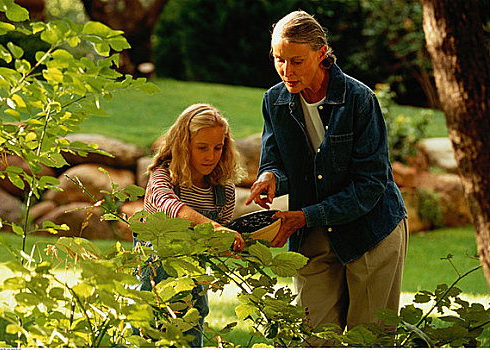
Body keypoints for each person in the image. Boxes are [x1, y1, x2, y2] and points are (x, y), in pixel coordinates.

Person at [246, 10, 408, 345]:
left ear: (321, 54)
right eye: (279, 60)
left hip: (371, 232)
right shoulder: (274, 101)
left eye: (296, 61)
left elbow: (371, 185)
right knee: (312, 338)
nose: (286, 71)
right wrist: (270, 177)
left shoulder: (359, 100)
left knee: (370, 340)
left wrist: (306, 214)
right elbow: (276, 159)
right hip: (312, 236)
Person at [134, 103, 244, 347]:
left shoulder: (222, 190)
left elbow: (218, 240)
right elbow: (172, 208)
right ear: (184, 145)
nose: (210, 156)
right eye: (202, 148)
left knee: (191, 329)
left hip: (193, 279)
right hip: (154, 279)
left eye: (218, 148)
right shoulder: (163, 177)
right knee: (148, 330)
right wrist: (215, 228)